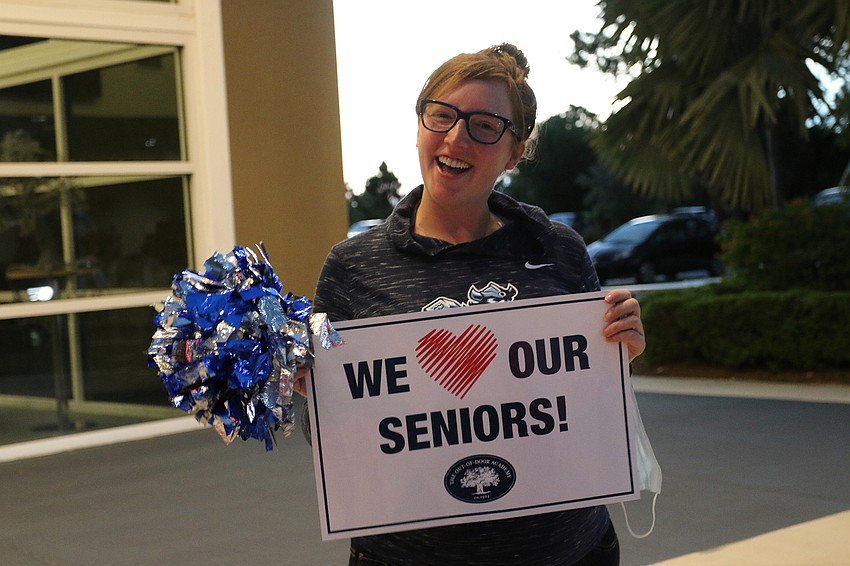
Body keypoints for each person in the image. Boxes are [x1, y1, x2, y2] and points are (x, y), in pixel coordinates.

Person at [297, 43, 645, 566]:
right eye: (442, 115)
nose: (456, 137)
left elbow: (585, 407)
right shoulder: (352, 267)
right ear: (420, 125)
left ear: (514, 152)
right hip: (407, 557)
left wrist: (620, 355)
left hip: (567, 553)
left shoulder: (559, 250)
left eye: (484, 125)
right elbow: (328, 436)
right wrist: (320, 397)